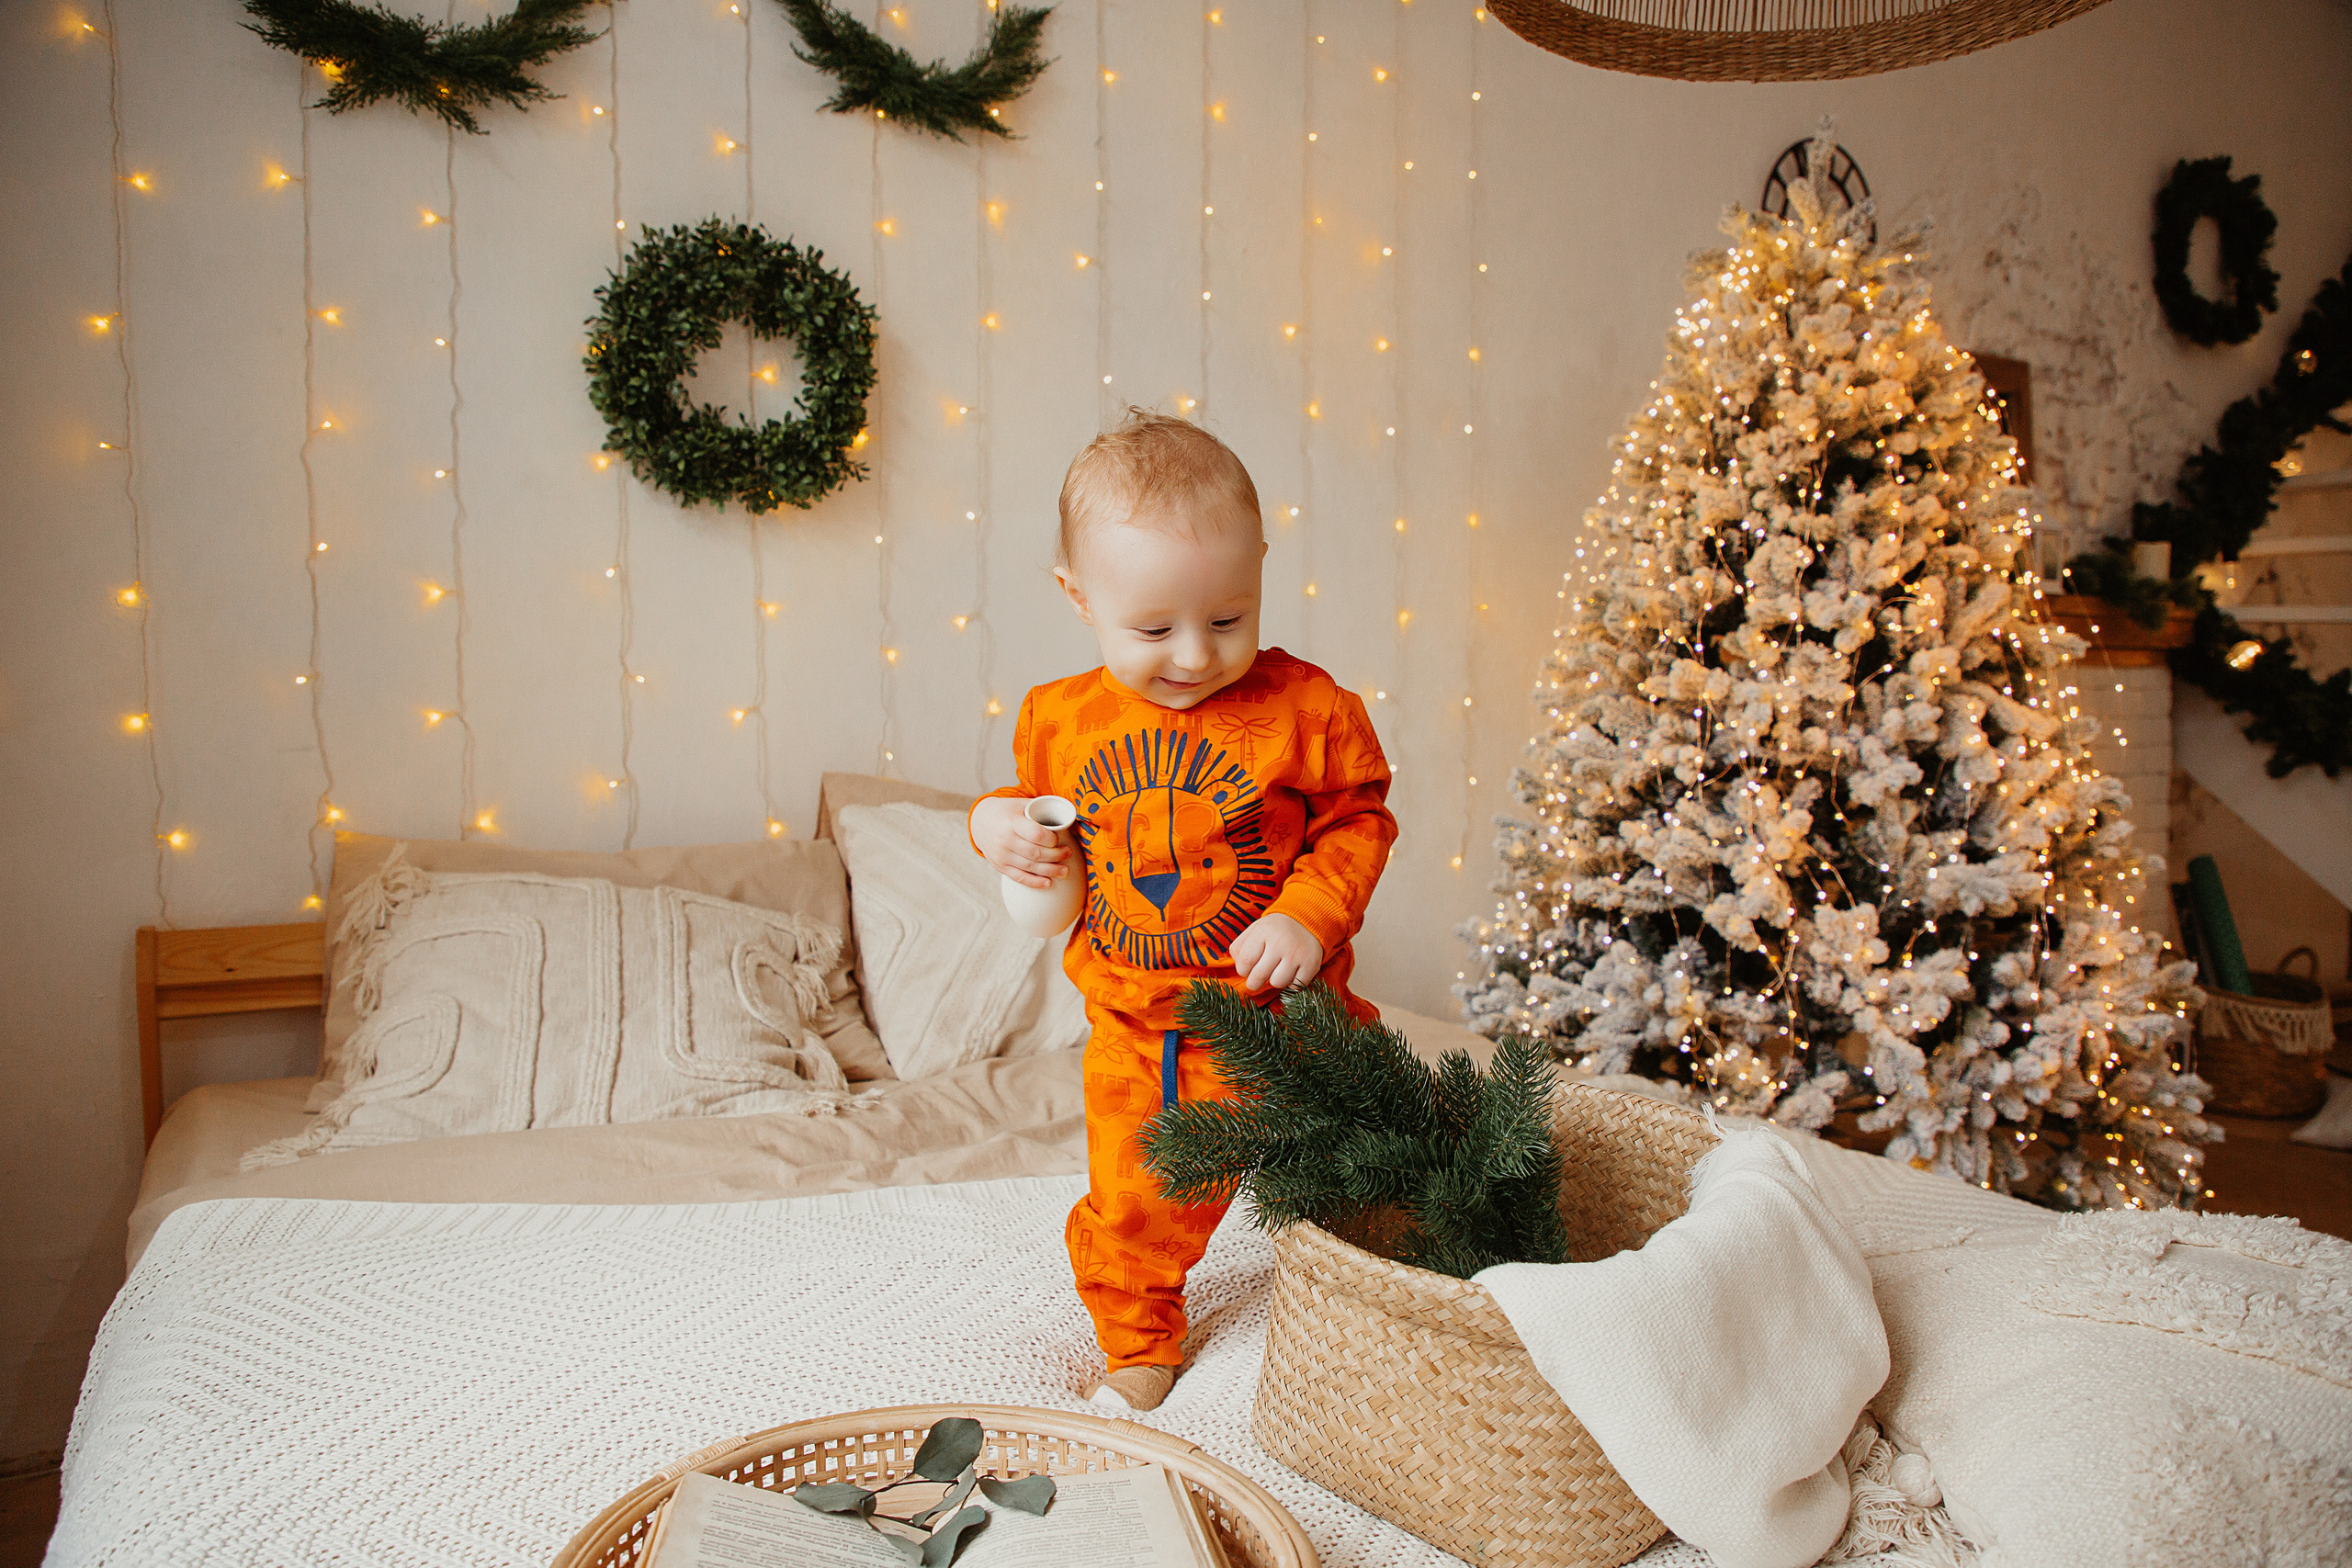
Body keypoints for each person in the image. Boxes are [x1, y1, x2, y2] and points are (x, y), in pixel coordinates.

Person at [969, 409, 1396, 1412]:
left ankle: (1398, 1311)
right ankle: (1136, 1331)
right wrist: (990, 826)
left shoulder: (1309, 713)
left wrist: (1307, 915)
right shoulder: (1058, 719)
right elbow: (1035, 820)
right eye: (1154, 630)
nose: (1197, 655)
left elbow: (1357, 823)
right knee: (1135, 1201)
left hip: (1289, 1019)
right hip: (1142, 1033)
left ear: (1257, 570)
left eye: (1229, 617)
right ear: (1079, 598)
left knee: (1375, 1168)